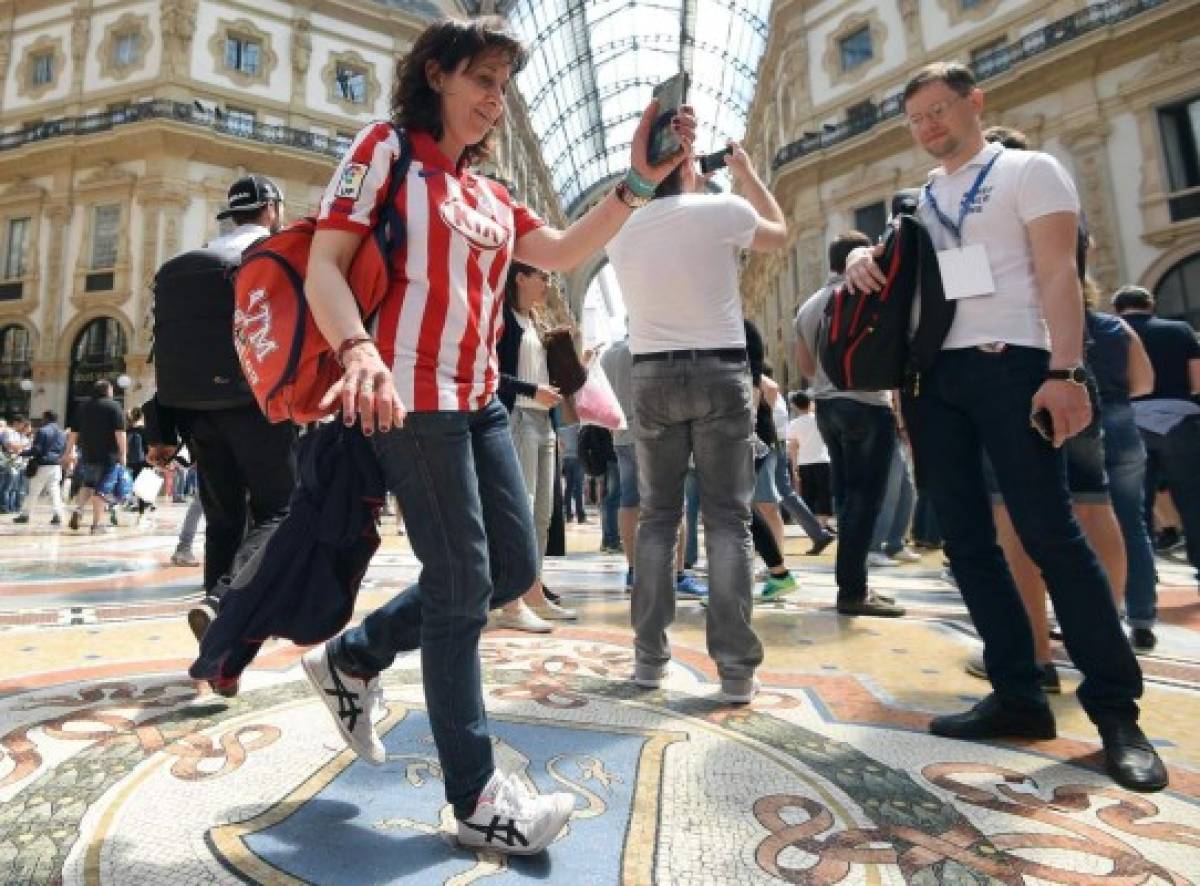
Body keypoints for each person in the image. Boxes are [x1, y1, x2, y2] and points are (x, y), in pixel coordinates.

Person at [298, 17, 696, 856]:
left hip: (477, 400)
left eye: (503, 87)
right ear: (436, 74)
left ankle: (354, 658)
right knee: (460, 581)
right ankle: (477, 796)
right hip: (408, 397)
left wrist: (638, 180)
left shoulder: (484, 192)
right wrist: (357, 349)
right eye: (481, 79)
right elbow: (325, 264)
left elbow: (557, 247)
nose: (493, 100)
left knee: (512, 570)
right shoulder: (387, 150)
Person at [843, 61, 1167, 791]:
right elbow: (905, 277)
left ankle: (1117, 712)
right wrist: (866, 255)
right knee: (967, 542)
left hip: (1015, 369)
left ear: (974, 103)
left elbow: (1058, 273)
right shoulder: (922, 196)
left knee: (1050, 530)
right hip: (934, 383)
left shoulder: (1031, 170)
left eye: (937, 111)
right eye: (915, 119)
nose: (928, 127)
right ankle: (1019, 695)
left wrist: (1065, 371)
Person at [605, 126, 784, 704]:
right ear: (685, 159)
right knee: (727, 520)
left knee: (658, 518)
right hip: (721, 372)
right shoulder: (723, 210)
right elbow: (779, 235)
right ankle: (735, 671)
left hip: (651, 375)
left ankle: (648, 662)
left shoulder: (621, 226)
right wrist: (748, 176)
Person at [149, 173, 300, 658]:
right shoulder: (272, 257)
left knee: (224, 518)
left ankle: (217, 646)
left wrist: (162, 425)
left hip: (194, 414)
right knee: (281, 507)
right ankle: (222, 599)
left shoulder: (182, 267)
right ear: (271, 209)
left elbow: (165, 349)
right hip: (254, 405)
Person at [795, 232, 906, 617]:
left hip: (826, 407)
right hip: (866, 404)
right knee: (865, 499)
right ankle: (853, 591)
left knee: (846, 498)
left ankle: (852, 584)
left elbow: (806, 367)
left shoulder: (809, 306)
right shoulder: (868, 290)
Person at [494, 261, 572, 632]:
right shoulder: (503, 321)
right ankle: (510, 602)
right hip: (519, 420)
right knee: (521, 511)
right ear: (520, 278)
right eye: (544, 275)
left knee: (542, 515)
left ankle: (534, 593)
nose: (548, 283)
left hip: (544, 423)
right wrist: (531, 391)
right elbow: (491, 375)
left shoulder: (536, 323)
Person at [601, 333, 707, 598]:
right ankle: (677, 574)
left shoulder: (609, 355)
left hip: (622, 435)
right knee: (675, 503)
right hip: (657, 433)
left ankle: (634, 571)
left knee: (629, 501)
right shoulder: (654, 346)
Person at [1112, 285, 1200, 586]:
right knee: (1192, 496)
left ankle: (1144, 571)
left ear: (1117, 308)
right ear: (1150, 304)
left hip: (1130, 422)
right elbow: (1197, 381)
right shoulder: (1180, 330)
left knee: (1137, 504)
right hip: (1179, 422)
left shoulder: (1114, 332)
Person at [64, 381, 127, 534]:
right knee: (102, 490)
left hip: (88, 453)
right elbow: (120, 433)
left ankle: (79, 510)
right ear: (107, 391)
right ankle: (96, 525)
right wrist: (124, 453)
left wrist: (68, 452)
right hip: (109, 456)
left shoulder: (83, 407)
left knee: (88, 484)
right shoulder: (114, 406)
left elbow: (74, 433)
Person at [14, 410, 66, 525]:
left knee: (33, 491)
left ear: (46, 418)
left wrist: (22, 453)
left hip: (42, 465)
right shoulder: (61, 433)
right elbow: (63, 449)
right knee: (55, 491)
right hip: (56, 465)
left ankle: (25, 515)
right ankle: (57, 514)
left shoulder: (42, 431)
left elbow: (37, 450)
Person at [558, 423, 585, 523]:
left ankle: (568, 514)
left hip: (566, 458)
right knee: (579, 487)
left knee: (568, 487)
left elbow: (560, 444)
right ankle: (580, 515)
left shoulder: (561, 426)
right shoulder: (578, 425)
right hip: (578, 457)